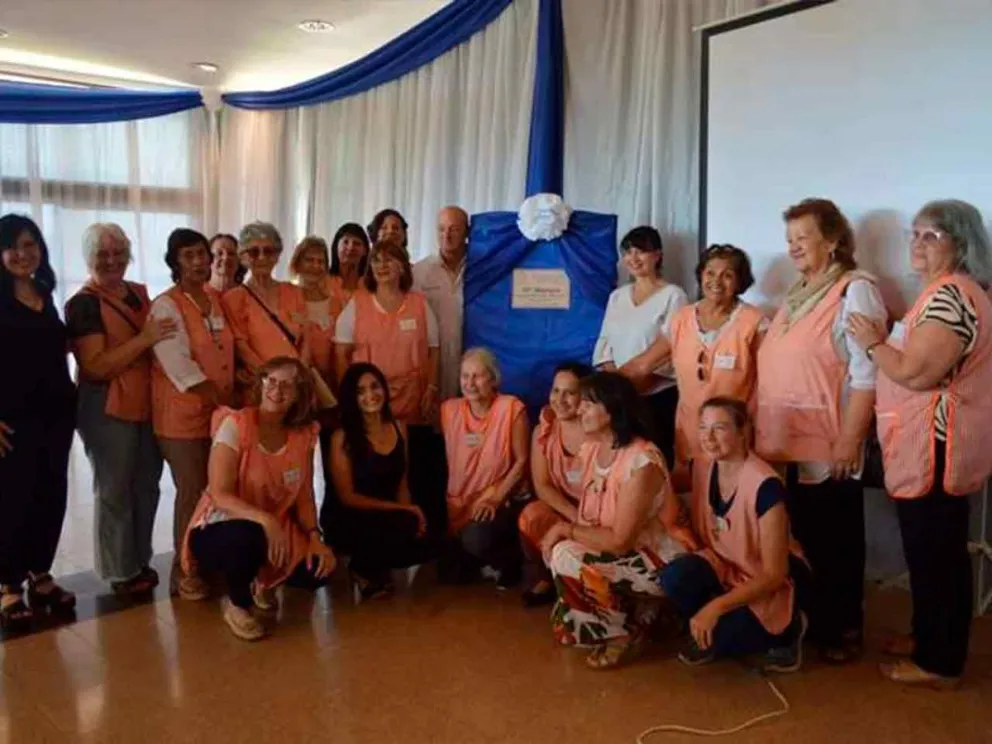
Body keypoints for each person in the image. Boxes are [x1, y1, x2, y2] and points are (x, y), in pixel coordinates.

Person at [848, 199, 992, 689]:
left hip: (937, 448)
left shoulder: (952, 295)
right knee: (929, 550)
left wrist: (872, 342)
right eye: (915, 233)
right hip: (928, 444)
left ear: (962, 244)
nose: (918, 243)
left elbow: (916, 372)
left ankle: (940, 661)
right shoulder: (941, 293)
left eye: (932, 235)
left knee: (936, 555)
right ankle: (926, 636)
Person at [755, 198, 888, 663]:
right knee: (802, 537)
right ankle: (809, 620)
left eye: (803, 237)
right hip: (783, 441)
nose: (793, 247)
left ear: (832, 242)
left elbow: (867, 374)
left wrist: (850, 439)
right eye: (789, 239)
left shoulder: (855, 290)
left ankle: (842, 629)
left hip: (829, 443)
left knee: (836, 541)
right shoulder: (798, 293)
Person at [541, 372, 696, 669]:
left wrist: (565, 529)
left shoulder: (641, 461)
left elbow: (620, 540)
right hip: (619, 551)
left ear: (611, 410)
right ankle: (636, 613)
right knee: (566, 628)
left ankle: (621, 633)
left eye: (587, 404)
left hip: (654, 558)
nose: (579, 410)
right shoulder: (592, 449)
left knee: (564, 553)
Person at [181, 357, 335, 641]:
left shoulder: (303, 435)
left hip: (273, 524)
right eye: (271, 381)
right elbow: (219, 494)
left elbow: (304, 496)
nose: (277, 390)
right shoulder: (236, 424)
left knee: (318, 569)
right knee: (247, 536)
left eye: (287, 385)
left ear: (299, 394)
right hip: (223, 525)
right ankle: (238, 604)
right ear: (261, 383)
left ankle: (263, 582)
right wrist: (266, 520)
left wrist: (315, 537)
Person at [660, 398, 810, 672]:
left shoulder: (766, 488)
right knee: (674, 577)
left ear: (743, 432)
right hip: (724, 567)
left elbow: (774, 574)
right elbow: (662, 483)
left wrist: (714, 608)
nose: (708, 438)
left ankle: (790, 630)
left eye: (719, 428)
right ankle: (718, 621)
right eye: (703, 427)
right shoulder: (702, 466)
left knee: (720, 636)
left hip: (765, 580)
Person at [66, 223, 173, 596]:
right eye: (102, 254)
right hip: (105, 407)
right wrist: (144, 339)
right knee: (115, 490)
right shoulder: (83, 304)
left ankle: (139, 559)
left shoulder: (138, 293)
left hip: (146, 402)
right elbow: (95, 366)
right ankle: (119, 571)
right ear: (89, 258)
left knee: (146, 485)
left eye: (118, 253)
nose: (112, 261)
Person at [334, 238, 444, 535]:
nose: (382, 265)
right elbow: (341, 352)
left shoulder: (419, 304)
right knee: (372, 472)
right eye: (377, 260)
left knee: (409, 471)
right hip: (369, 402)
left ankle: (411, 526)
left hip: (412, 402)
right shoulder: (357, 303)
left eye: (389, 259)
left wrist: (432, 388)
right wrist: (349, 397)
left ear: (403, 266)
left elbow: (434, 349)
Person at [150, 228, 236, 599]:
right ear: (175, 262)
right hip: (182, 420)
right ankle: (185, 571)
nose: (199, 261)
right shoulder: (166, 306)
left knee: (217, 491)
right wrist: (223, 399)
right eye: (189, 255)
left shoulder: (215, 300)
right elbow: (179, 365)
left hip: (218, 416)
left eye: (202, 254)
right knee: (192, 493)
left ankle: (210, 562)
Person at [0, 214, 77, 627]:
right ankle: (8, 585)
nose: (22, 253)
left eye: (29, 244)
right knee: (13, 501)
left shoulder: (45, 293)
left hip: (56, 416)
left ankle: (40, 572)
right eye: (12, 246)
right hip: (12, 421)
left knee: (50, 496)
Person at [327, 363, 434, 599]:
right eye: (360, 391)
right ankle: (361, 568)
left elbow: (403, 481)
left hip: (388, 512)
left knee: (421, 538)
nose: (370, 395)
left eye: (375, 386)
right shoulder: (341, 437)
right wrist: (401, 510)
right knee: (381, 527)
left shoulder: (399, 427)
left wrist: (410, 514)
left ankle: (376, 566)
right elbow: (347, 497)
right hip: (355, 515)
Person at [593, 226, 688, 467]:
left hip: (657, 395)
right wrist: (615, 382)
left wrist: (637, 378)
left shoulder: (673, 295)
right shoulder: (617, 296)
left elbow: (672, 345)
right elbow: (605, 343)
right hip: (619, 397)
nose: (633, 258)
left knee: (655, 459)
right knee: (623, 459)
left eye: (641, 251)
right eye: (628, 252)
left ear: (657, 255)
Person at [668, 245, 766, 467]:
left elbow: (765, 383)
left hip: (733, 436)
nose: (716, 281)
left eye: (727, 275)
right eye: (710, 273)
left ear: (739, 281)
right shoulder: (680, 319)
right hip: (689, 431)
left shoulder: (755, 322)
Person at [440, 349, 529, 588]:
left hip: (500, 499)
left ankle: (509, 561)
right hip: (458, 504)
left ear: (493, 379)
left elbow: (522, 462)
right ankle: (478, 559)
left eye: (477, 376)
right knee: (450, 573)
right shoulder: (449, 410)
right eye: (465, 376)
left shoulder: (511, 408)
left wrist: (495, 499)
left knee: (476, 539)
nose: (470, 383)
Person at [518, 361, 592, 606]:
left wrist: (586, 518)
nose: (560, 400)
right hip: (565, 510)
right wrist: (573, 516)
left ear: (585, 397)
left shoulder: (598, 429)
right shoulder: (544, 429)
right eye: (556, 391)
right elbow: (542, 485)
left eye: (570, 393)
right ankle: (547, 578)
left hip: (600, 512)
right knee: (532, 516)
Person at [222, 222, 312, 373]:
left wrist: (299, 373)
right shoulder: (234, 298)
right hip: (261, 381)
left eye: (269, 251)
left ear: (277, 256)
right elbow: (242, 348)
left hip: (297, 378)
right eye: (254, 252)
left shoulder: (294, 292)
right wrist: (269, 377)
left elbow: (306, 339)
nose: (262, 257)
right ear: (243, 257)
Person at [413, 206, 468, 401]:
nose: (447, 235)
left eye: (454, 229)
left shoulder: (480, 268)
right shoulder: (419, 273)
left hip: (471, 360)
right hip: (434, 362)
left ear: (467, 232)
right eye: (441, 229)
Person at [290, 235, 338, 391]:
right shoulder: (285, 298)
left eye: (321, 261)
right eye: (309, 260)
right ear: (297, 263)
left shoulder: (337, 303)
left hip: (330, 386)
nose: (315, 266)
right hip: (295, 383)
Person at [326, 222, 370, 309]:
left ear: (365, 251)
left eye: (357, 243)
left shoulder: (370, 285)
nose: (350, 247)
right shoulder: (323, 282)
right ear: (336, 247)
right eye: (345, 242)